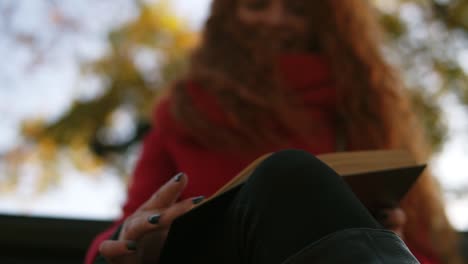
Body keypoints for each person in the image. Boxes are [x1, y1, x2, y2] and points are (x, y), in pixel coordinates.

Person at [85, 0, 461, 263]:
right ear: (228, 15)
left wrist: (383, 237)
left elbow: (424, 249)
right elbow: (126, 226)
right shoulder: (181, 113)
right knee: (287, 174)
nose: (276, 19)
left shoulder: (362, 111)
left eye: (298, 9)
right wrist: (135, 241)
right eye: (257, 3)